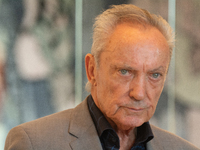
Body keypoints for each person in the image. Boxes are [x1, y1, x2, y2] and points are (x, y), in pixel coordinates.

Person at [4, 4, 199, 150]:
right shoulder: (34, 143)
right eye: (125, 72)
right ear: (91, 69)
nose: (139, 93)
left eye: (155, 75)